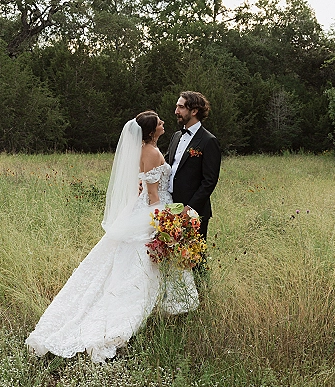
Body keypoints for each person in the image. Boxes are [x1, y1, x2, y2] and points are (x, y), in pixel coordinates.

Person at [25, 111, 198, 363]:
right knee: (138, 271)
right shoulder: (149, 152)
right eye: (159, 122)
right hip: (152, 210)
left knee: (127, 267)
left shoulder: (146, 150)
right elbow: (153, 196)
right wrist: (166, 221)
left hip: (144, 209)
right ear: (151, 131)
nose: (163, 123)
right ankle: (116, 323)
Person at [166, 91, 221, 241]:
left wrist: (190, 208)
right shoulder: (176, 136)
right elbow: (165, 165)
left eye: (181, 107)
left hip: (194, 211)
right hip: (169, 206)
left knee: (194, 260)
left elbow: (209, 181)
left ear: (194, 111)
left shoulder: (209, 141)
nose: (176, 111)